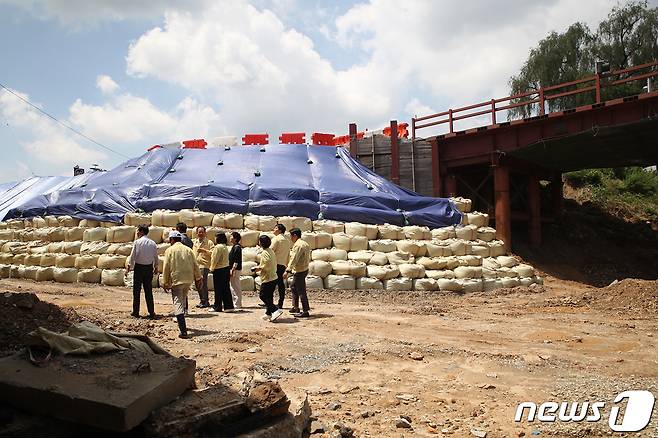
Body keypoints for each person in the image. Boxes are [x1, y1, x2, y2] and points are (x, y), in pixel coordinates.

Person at [161, 231, 202, 339]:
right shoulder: (188, 250)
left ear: (172, 240)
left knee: (177, 303)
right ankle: (183, 322)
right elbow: (195, 264)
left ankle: (183, 330)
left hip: (177, 280)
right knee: (183, 300)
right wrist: (198, 278)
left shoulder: (169, 250)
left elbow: (166, 267)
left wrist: (165, 282)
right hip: (188, 279)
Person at [125, 224, 158, 319]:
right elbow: (156, 257)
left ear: (142, 231)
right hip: (148, 269)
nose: (137, 233)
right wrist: (156, 267)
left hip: (139, 268)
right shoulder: (152, 243)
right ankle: (151, 312)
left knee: (136, 291)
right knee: (148, 291)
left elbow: (132, 256)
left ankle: (136, 312)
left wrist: (128, 268)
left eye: (138, 231)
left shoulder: (137, 242)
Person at [254, 235, 283, 322]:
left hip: (268, 277)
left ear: (261, 243)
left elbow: (266, 265)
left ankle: (275, 310)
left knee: (262, 295)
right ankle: (268, 313)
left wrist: (257, 268)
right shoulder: (270, 251)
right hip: (273, 277)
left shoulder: (264, 253)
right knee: (269, 296)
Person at [284, 228, 311, 318]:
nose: (290, 238)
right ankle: (295, 307)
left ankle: (305, 311)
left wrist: (287, 270)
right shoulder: (305, 243)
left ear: (295, 236)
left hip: (299, 271)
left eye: (291, 236)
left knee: (301, 291)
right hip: (304, 269)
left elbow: (294, 259)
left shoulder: (298, 245)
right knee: (293, 287)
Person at [209, 233, 233, 312]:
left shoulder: (217, 247)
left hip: (219, 270)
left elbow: (215, 259)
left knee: (218, 289)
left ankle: (217, 306)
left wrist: (212, 268)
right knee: (226, 288)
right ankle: (228, 306)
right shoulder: (224, 246)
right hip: (226, 269)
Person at [193, 226, 214, 308]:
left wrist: (204, 251)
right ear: (196, 233)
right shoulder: (195, 242)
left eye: (202, 232)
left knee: (202, 283)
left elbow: (213, 253)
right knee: (197, 284)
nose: (200, 234)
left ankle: (205, 301)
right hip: (196, 266)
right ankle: (202, 300)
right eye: (199, 232)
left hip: (204, 266)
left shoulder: (209, 243)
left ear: (205, 233)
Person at [271, 224, 291, 309]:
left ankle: (269, 302)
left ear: (279, 230)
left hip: (274, 264)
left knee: (270, 284)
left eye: (275, 228)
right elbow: (288, 254)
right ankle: (280, 303)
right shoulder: (287, 240)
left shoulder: (276, 239)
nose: (273, 229)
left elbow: (271, 251)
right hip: (282, 264)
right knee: (280, 284)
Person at [175, 222, 193, 312]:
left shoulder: (179, 240)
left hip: (179, 266)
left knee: (178, 290)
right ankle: (185, 308)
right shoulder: (190, 241)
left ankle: (180, 310)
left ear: (178, 229)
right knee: (185, 290)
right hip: (188, 266)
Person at [228, 231, 243, 309]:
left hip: (235, 269)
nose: (230, 238)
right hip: (234, 269)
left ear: (235, 238)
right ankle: (236, 302)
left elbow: (236, 260)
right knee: (233, 286)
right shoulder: (234, 246)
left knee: (236, 286)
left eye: (231, 237)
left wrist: (233, 269)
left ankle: (238, 303)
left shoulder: (237, 247)